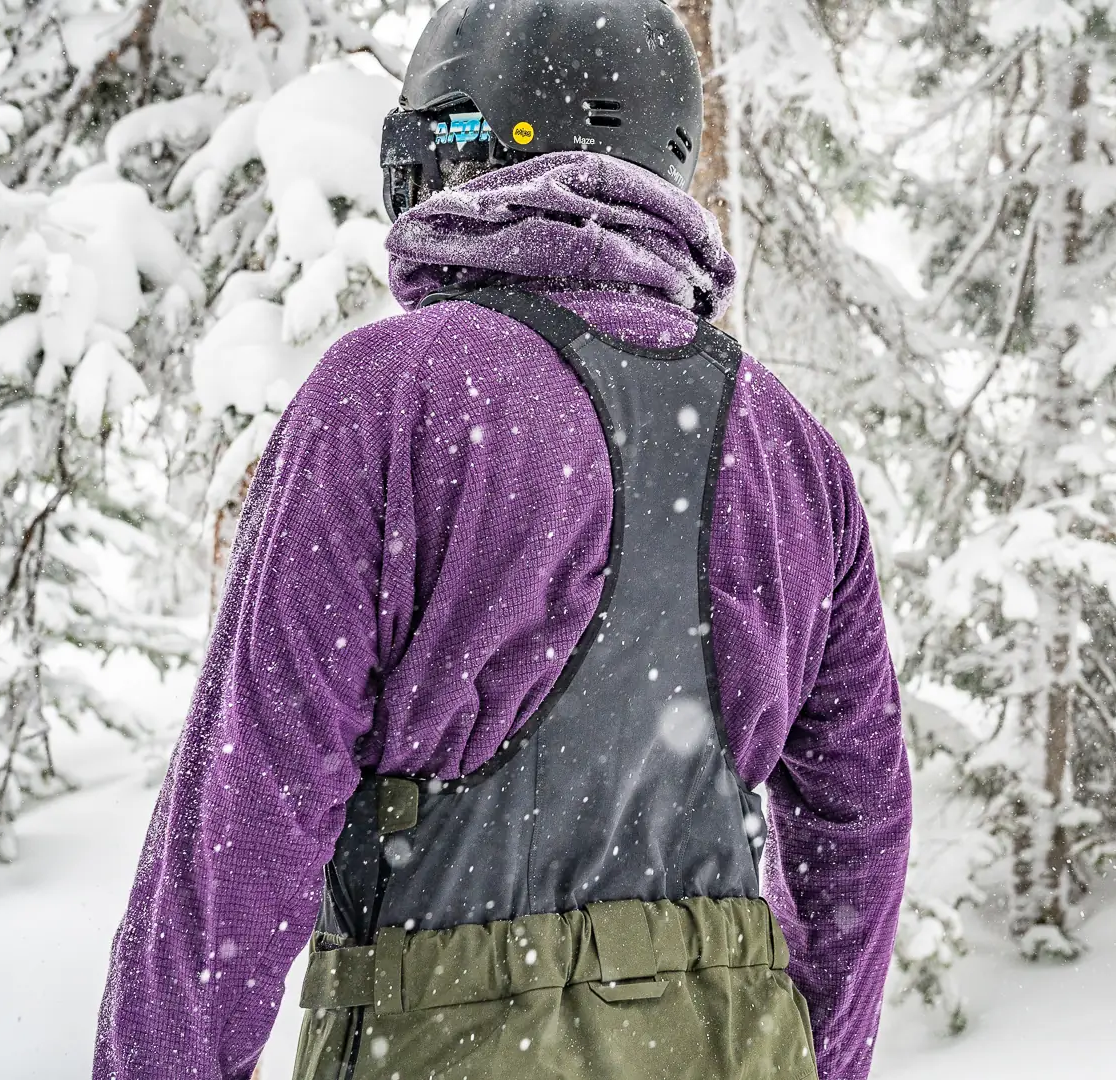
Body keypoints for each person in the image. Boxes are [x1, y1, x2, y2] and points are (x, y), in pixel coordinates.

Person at [93, 2, 910, 1078]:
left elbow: (242, 821)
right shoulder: (789, 447)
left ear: (468, 141)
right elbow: (858, 825)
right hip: (737, 1047)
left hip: (450, 1037)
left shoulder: (388, 396)